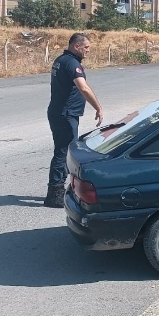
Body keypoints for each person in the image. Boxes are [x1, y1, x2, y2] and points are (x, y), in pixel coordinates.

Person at [45, 33, 103, 208]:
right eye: (86, 47)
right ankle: (54, 193)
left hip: (60, 112)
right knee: (63, 152)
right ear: (76, 46)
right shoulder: (71, 63)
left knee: (63, 150)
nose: (88, 51)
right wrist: (98, 107)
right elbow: (83, 87)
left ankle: (58, 189)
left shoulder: (61, 60)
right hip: (65, 114)